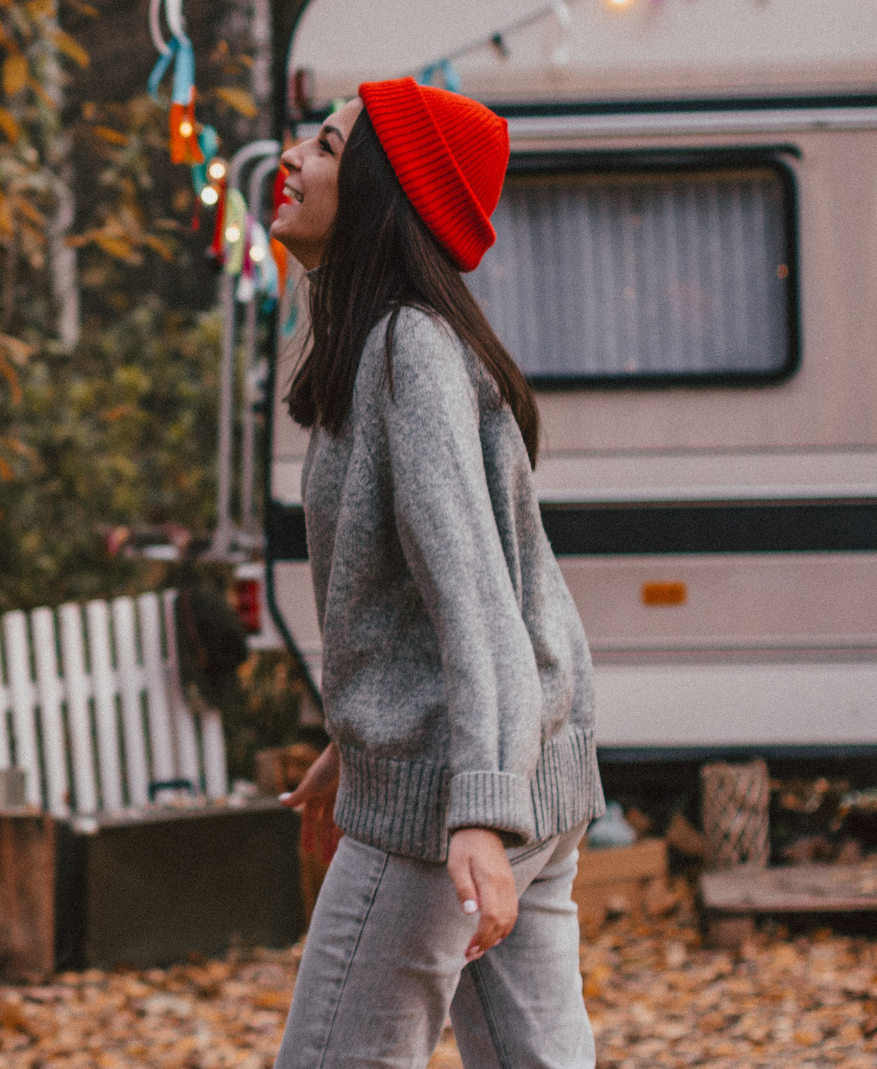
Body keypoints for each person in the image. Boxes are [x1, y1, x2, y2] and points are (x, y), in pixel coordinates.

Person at [263, 78, 603, 1069]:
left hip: (453, 798)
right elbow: (418, 599)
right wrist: (354, 739)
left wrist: (476, 814)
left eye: (325, 148)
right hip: (517, 768)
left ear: (378, 191)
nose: (294, 160)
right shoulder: (389, 342)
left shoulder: (405, 349)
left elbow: (475, 601)